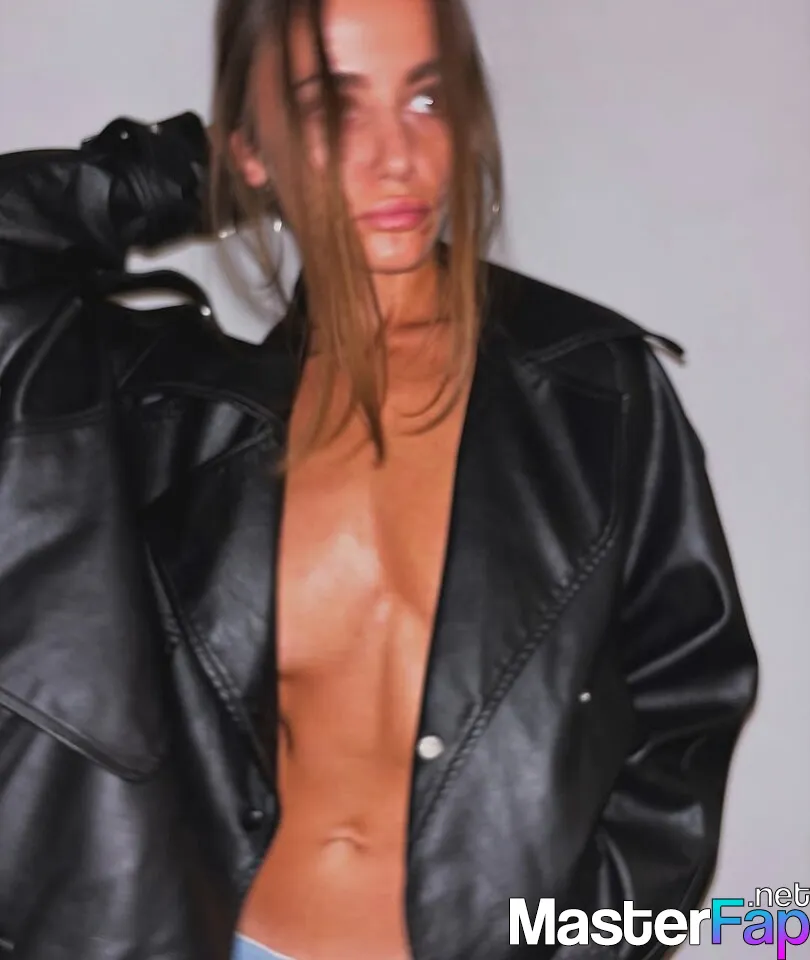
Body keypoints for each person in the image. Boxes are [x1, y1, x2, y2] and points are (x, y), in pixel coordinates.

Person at [0, 0, 757, 957]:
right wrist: (178, 173)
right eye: (332, 110)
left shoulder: (593, 391)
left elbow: (691, 700)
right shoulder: (176, 415)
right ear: (252, 148)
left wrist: (585, 940)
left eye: (427, 99)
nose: (396, 157)